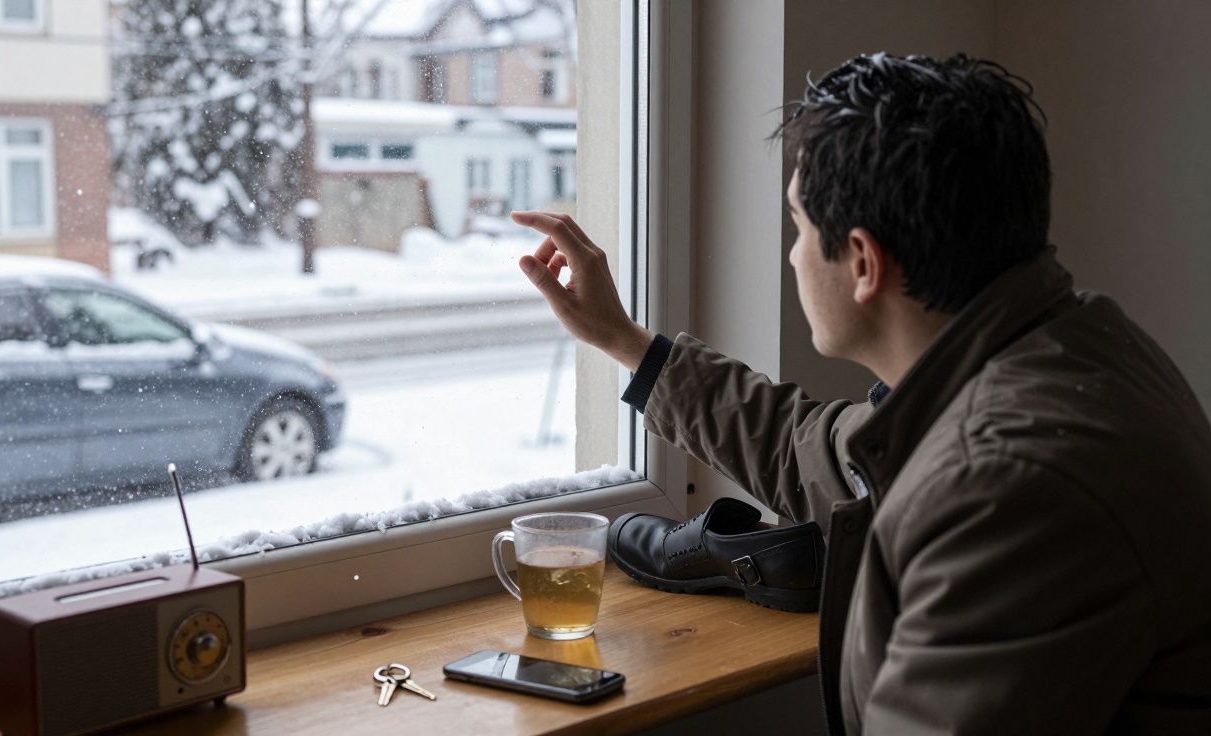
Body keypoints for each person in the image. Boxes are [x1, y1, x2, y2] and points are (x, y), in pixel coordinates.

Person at [511, 52, 1211, 735]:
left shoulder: (1007, 489)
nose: (793, 254)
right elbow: (814, 453)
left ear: (864, 262)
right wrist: (624, 340)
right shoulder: (1058, 348)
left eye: (798, 227)